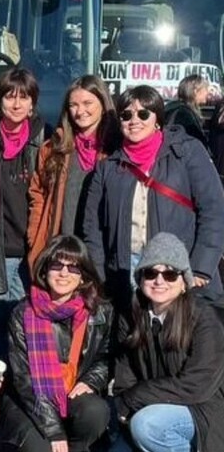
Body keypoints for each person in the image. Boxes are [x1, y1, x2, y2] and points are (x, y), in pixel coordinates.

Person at [103, 233, 224, 452]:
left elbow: (197, 385)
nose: (159, 281)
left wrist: (136, 402)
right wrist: (141, 443)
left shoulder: (204, 318)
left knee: (148, 424)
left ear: (184, 282)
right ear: (140, 277)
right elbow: (124, 382)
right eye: (151, 273)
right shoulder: (130, 317)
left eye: (170, 274)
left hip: (204, 411)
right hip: (151, 411)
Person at [82, 85, 224, 304]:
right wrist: (100, 275)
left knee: (177, 336)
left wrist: (200, 268)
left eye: (143, 113)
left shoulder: (186, 152)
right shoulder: (107, 167)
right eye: (126, 115)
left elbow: (214, 209)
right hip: (126, 272)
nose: (134, 120)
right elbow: (92, 227)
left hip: (178, 272)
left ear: (157, 119)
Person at [3, 235, 111, 452]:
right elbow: (23, 379)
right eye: (57, 266)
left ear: (83, 275)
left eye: (73, 267)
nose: (64, 273)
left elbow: (107, 356)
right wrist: (53, 431)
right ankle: (41, 441)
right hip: (31, 399)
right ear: (45, 270)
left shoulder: (100, 311)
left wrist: (93, 380)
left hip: (73, 392)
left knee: (95, 409)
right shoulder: (22, 312)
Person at [26, 75, 117, 267]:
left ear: (103, 103)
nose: (80, 111)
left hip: (104, 254)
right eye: (73, 105)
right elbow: (38, 196)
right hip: (62, 252)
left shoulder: (117, 149)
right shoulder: (54, 148)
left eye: (87, 103)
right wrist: (36, 241)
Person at [0, 68, 46, 311]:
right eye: (10, 97)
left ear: (32, 104)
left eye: (24, 97)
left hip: (29, 254)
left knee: (22, 324)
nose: (17, 104)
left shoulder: (44, 139)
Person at [163, 74, 210, 147]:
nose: (208, 93)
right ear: (195, 91)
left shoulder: (173, 107)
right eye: (206, 89)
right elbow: (195, 140)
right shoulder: (183, 113)